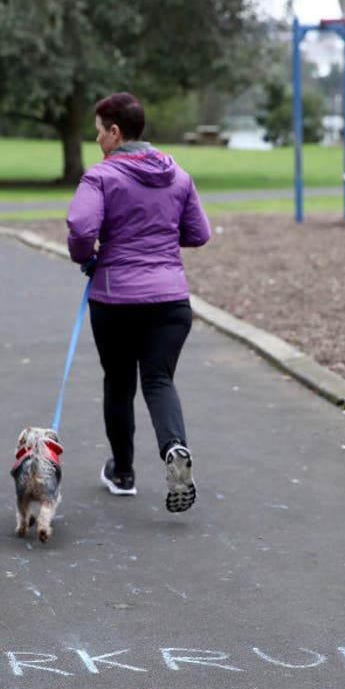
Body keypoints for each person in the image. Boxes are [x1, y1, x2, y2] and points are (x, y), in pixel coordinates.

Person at [66, 92, 210, 513]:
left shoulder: (102, 177)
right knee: (159, 381)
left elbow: (79, 226)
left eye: (98, 132)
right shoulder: (178, 175)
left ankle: (123, 473)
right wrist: (160, 237)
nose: (96, 141)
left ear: (115, 132)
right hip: (170, 300)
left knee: (119, 382)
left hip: (116, 298)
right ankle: (174, 449)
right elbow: (198, 233)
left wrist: (87, 257)